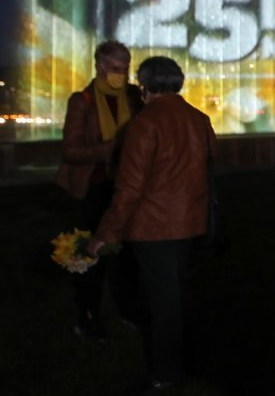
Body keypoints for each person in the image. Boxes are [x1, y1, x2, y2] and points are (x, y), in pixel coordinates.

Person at [87, 56, 216, 392]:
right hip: (190, 223)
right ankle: (193, 362)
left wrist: (105, 234)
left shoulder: (143, 125)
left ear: (144, 85)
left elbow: (129, 189)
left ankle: (165, 373)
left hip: (153, 228)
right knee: (180, 295)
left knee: (162, 303)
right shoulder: (199, 119)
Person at [56, 40, 144, 340]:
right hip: (92, 189)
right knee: (91, 255)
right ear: (100, 67)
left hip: (126, 186)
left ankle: (128, 309)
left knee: (127, 255)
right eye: (117, 68)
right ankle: (87, 315)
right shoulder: (82, 101)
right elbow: (70, 151)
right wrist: (110, 149)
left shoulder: (133, 96)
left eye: (127, 67)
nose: (123, 74)